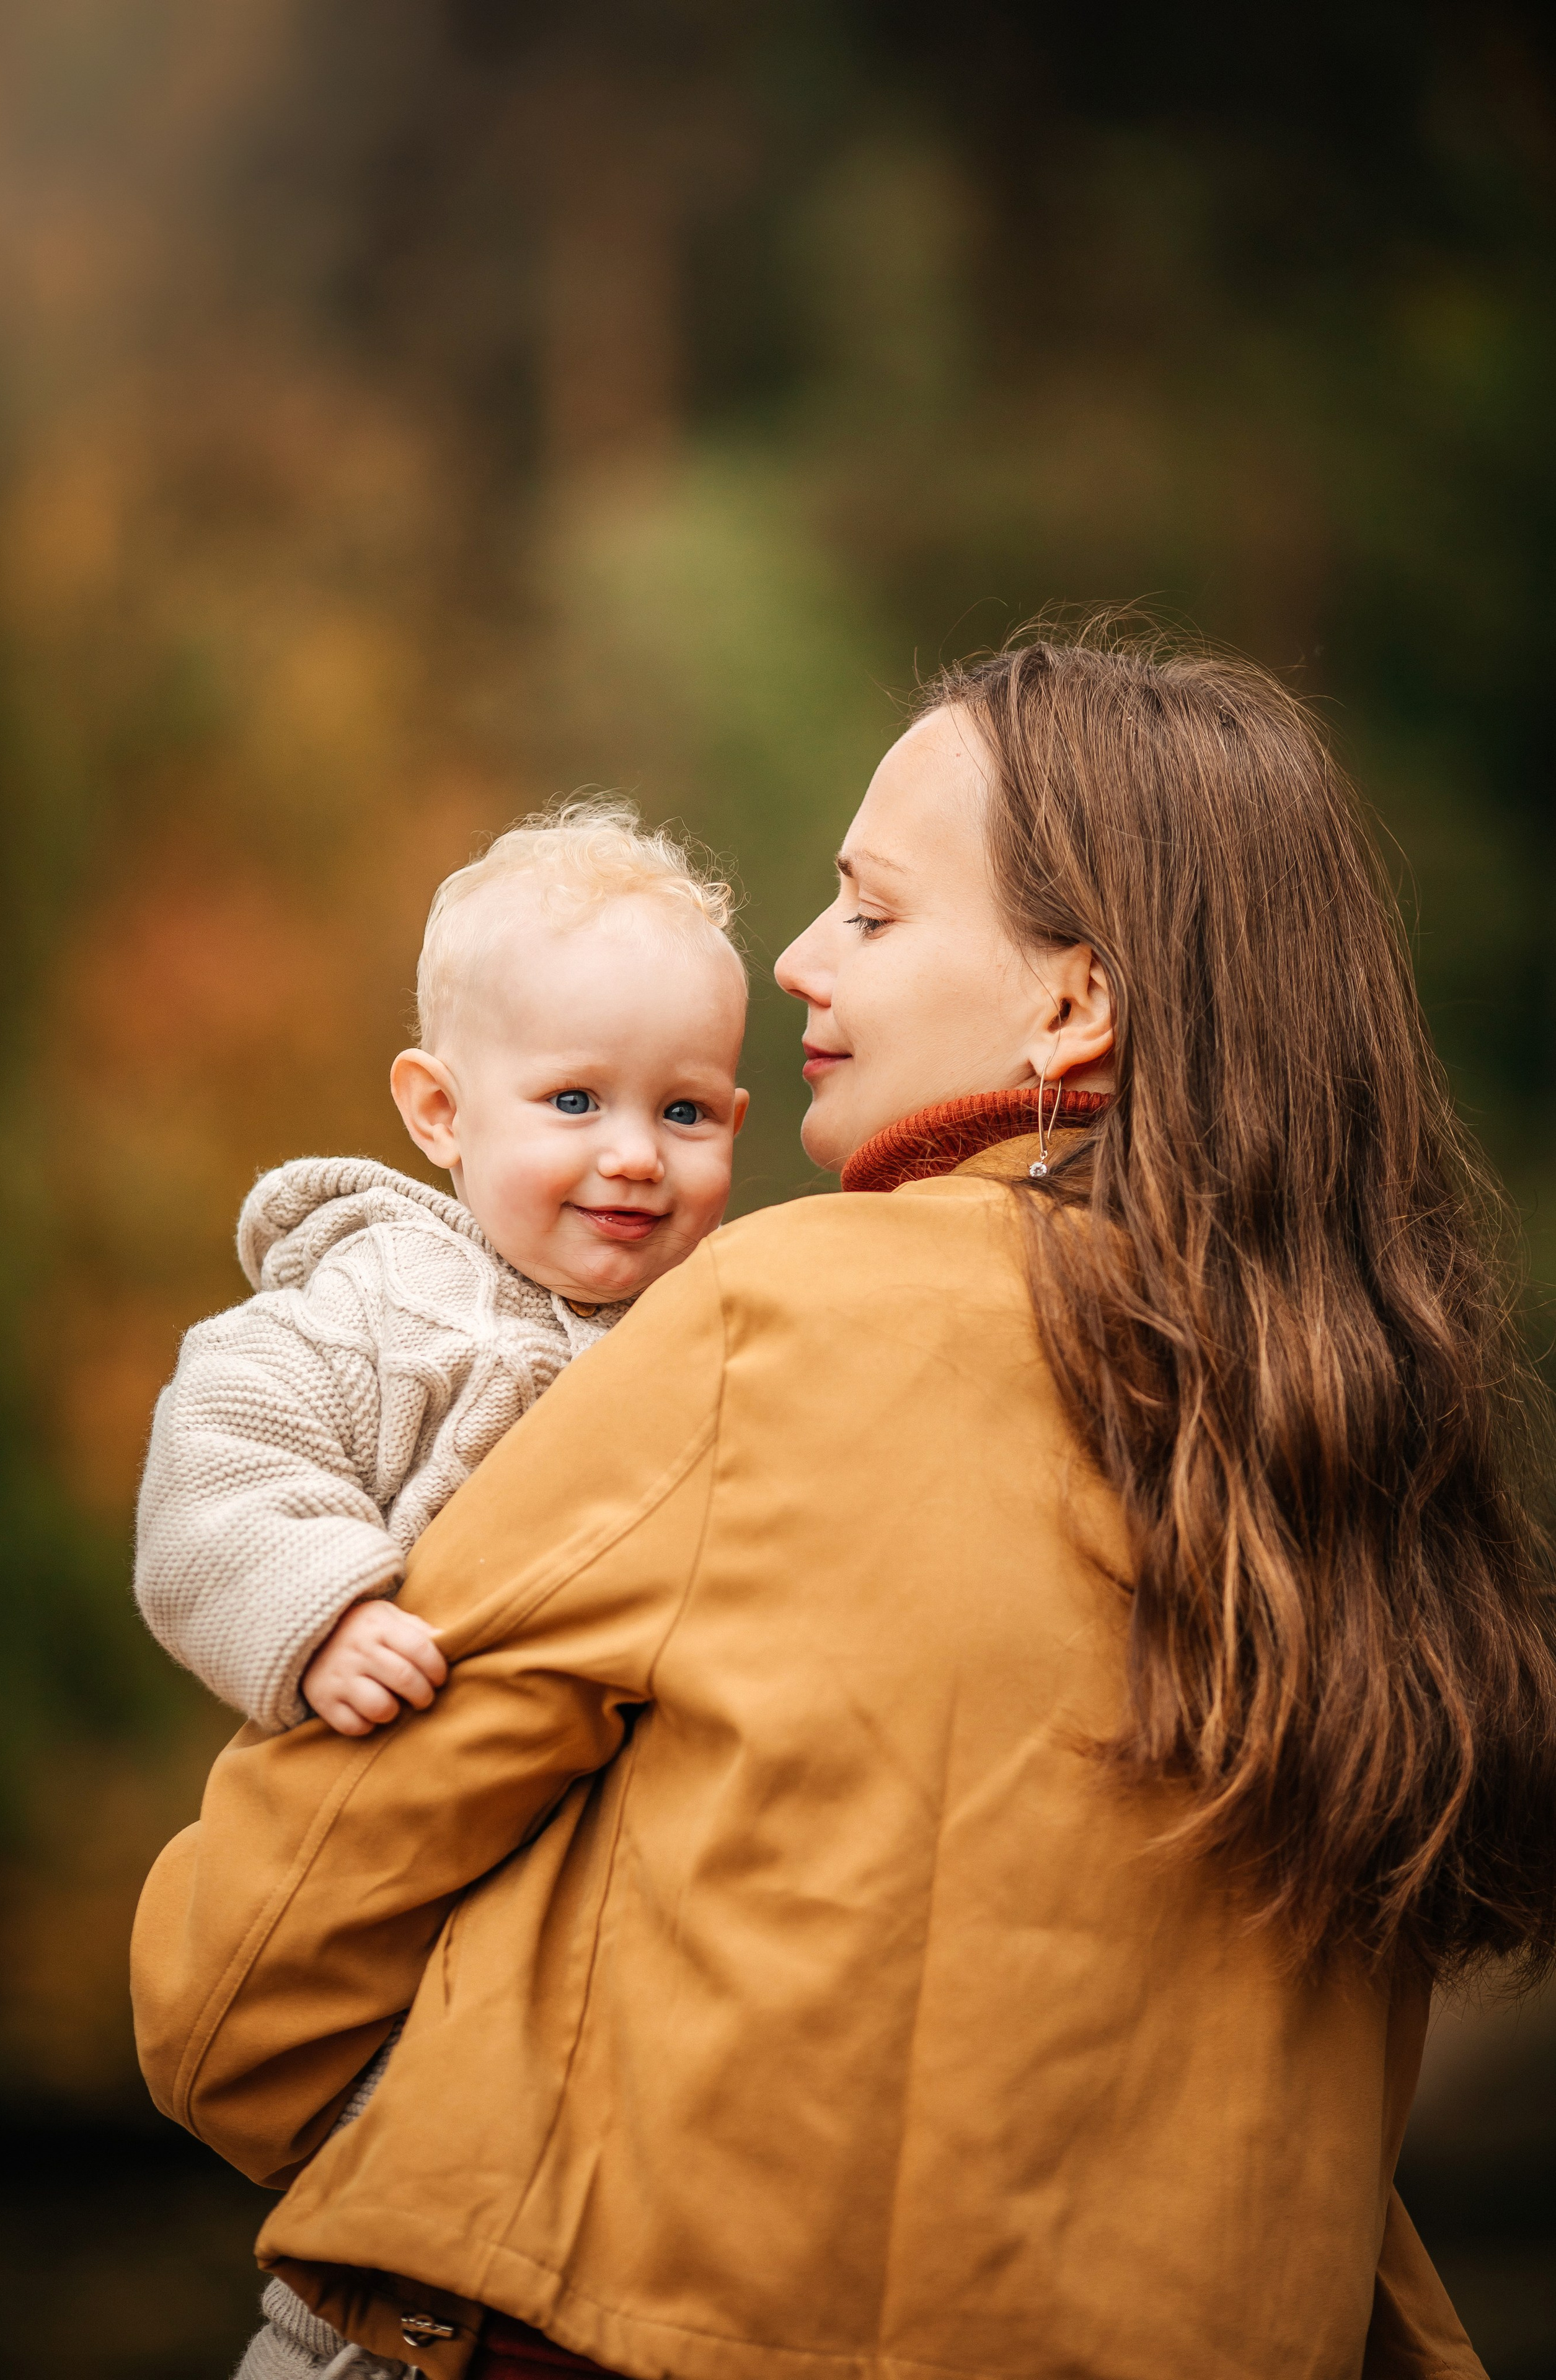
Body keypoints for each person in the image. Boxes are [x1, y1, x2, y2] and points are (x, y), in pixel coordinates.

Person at [133, 631, 1556, 2380]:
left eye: (871, 915)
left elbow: (240, 1984)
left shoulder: (771, 1321)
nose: (797, 961)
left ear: (1072, 1002)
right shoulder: (1358, 1449)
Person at [133, 796, 749, 2378]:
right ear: (436, 1109)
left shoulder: (716, 1333)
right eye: (572, 1100)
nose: (633, 1157)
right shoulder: (380, 1299)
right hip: (381, 1790)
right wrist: (323, 1610)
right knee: (388, 2204)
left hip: (594, 1898)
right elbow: (222, 1453)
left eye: (686, 1115)